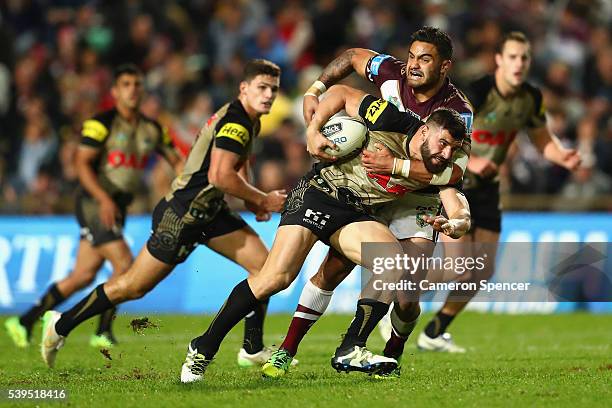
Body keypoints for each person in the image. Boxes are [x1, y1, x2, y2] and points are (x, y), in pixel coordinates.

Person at [178, 83, 470, 383]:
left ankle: (350, 347)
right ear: (424, 132)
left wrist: (457, 224)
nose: (445, 153)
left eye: (452, 149)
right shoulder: (388, 118)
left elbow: (456, 204)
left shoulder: (438, 169)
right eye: (442, 143)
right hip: (317, 194)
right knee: (275, 278)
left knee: (392, 261)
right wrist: (314, 128)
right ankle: (202, 347)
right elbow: (342, 92)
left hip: (356, 213)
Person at [39, 59, 288, 369]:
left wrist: (250, 199)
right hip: (181, 216)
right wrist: (262, 199)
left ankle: (251, 347)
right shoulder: (236, 122)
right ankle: (61, 324)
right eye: (262, 88)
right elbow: (219, 176)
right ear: (244, 88)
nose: (268, 95)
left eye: (274, 90)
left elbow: (238, 164)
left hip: (210, 212)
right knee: (133, 286)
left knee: (265, 269)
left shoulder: (249, 119)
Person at [261, 26, 474, 375]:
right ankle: (286, 350)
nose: (415, 66)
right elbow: (351, 57)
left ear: (445, 67)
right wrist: (315, 90)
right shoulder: (393, 74)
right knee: (333, 269)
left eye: (425, 59)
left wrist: (397, 165)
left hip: (416, 198)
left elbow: (451, 175)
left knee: (406, 295)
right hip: (370, 186)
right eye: (412, 56)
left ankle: (393, 349)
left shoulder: (457, 112)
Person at [413, 31, 580, 352]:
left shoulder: (530, 97)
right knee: (456, 267)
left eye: (524, 58)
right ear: (500, 60)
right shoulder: (476, 92)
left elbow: (543, 140)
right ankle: (397, 295)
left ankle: (434, 331)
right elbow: (444, 130)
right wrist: (471, 161)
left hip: (487, 189)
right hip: (455, 182)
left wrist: (563, 156)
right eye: (513, 56)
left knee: (481, 271)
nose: (519, 63)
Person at [5, 64, 183, 349]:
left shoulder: (152, 129)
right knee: (124, 264)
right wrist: (103, 199)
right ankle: (102, 331)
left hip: (117, 206)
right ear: (114, 91)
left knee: (82, 275)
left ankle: (24, 321)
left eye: (137, 84)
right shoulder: (101, 123)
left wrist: (185, 184)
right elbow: (81, 164)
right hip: (95, 202)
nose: (133, 90)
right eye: (126, 84)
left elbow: (177, 161)